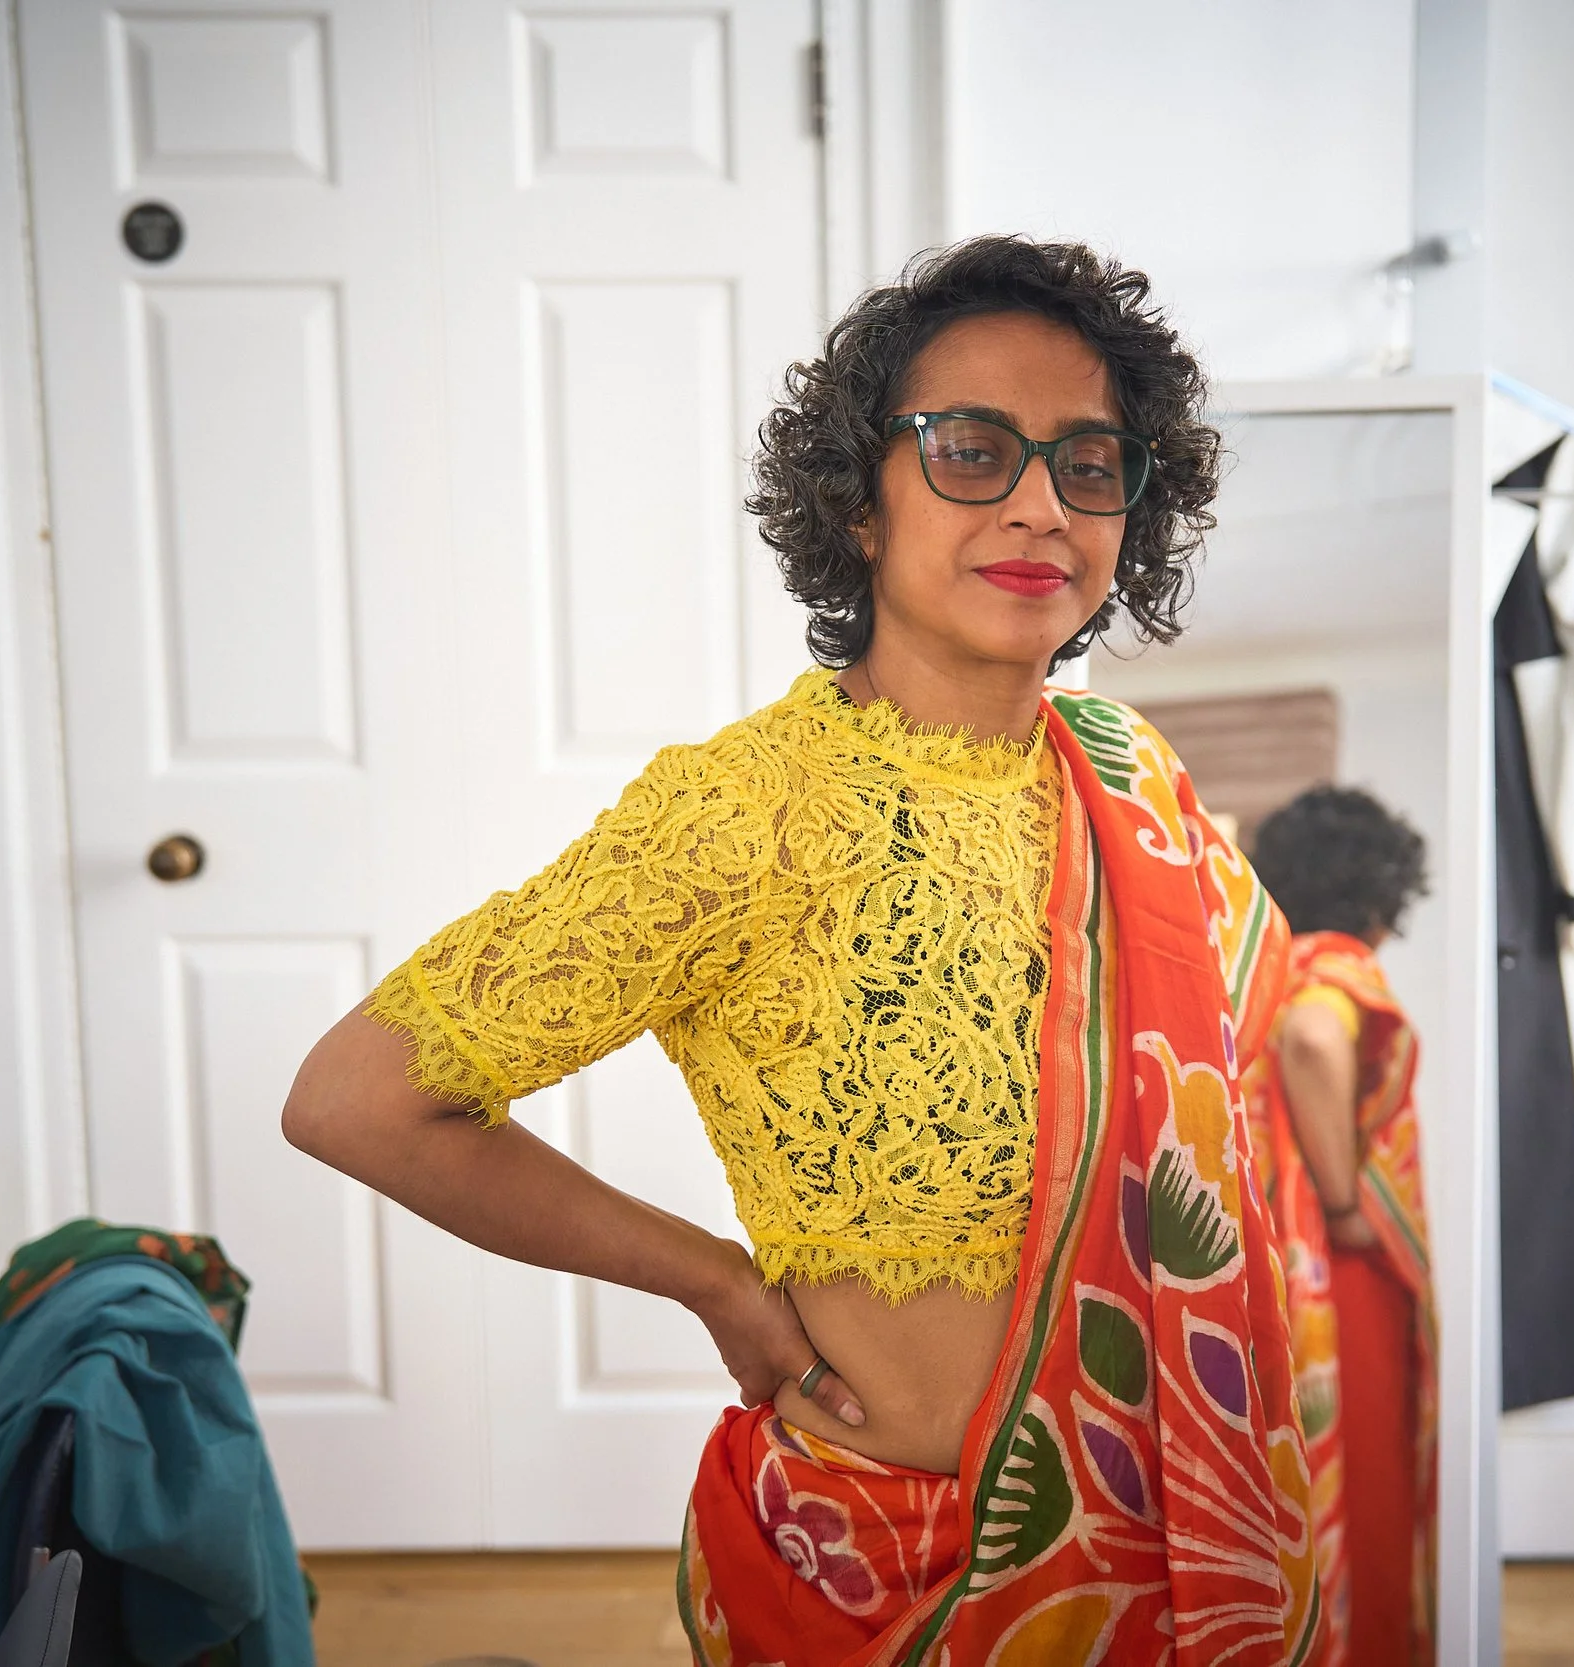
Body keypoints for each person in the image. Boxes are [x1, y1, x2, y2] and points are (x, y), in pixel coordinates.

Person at [281, 236, 1323, 1664]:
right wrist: (713, 1278)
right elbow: (358, 1099)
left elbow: (1247, 1099)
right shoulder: (748, 813)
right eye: (971, 450)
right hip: (895, 1570)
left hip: (1176, 1542)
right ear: (861, 502)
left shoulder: (1131, 774)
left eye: (1090, 463)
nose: (1038, 503)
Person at [1242, 787, 1435, 1666]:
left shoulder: (1265, 967)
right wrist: (1349, 1201)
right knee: (1364, 1484)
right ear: (1381, 897)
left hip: (1275, 1269)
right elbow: (1316, 1040)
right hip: (1338, 1274)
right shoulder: (1334, 970)